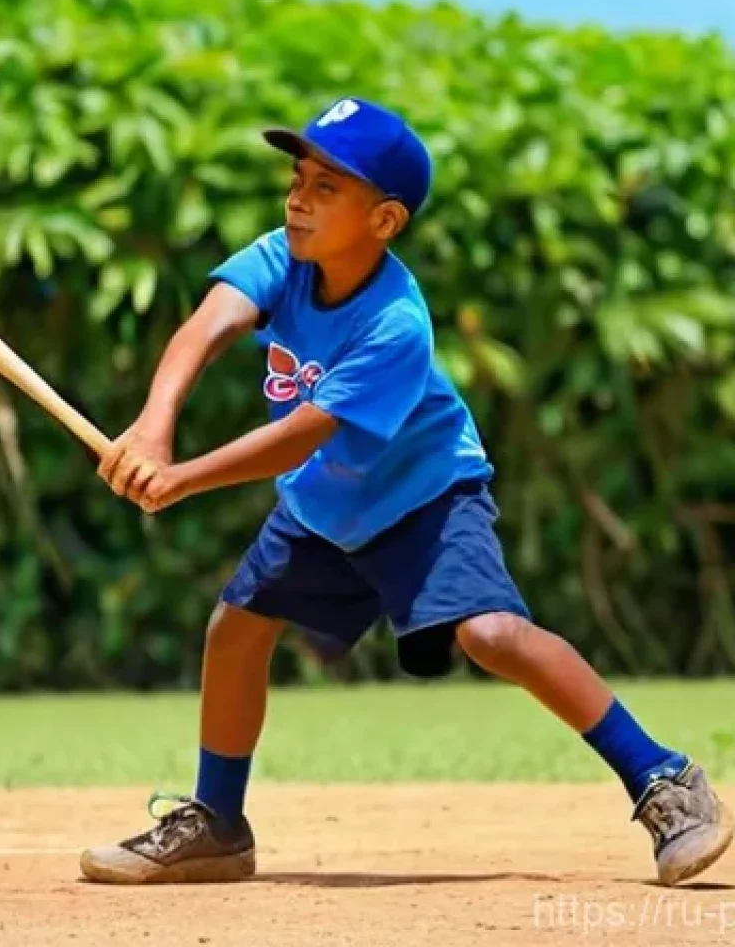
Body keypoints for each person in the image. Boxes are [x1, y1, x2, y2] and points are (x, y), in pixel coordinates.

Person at [79, 96, 733, 887]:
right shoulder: (284, 257)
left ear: (384, 220)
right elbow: (204, 329)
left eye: (327, 187)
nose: (297, 198)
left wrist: (181, 478)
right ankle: (219, 823)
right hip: (327, 504)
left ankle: (664, 778)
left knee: (493, 635)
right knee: (237, 628)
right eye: (298, 176)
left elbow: (303, 431)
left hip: (426, 500)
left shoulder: (396, 322)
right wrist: (154, 426)